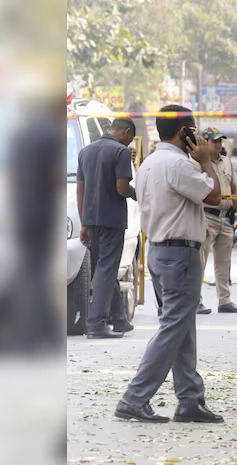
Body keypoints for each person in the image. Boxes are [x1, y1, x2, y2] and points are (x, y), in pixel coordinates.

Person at [116, 104, 224, 423]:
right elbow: (215, 196)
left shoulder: (150, 163)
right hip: (179, 255)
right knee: (174, 327)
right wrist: (205, 162)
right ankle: (134, 398)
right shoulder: (179, 164)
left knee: (181, 326)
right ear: (184, 132)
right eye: (195, 130)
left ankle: (190, 399)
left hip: (160, 252)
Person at [76, 118, 137, 338]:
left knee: (104, 268)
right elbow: (122, 188)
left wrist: (84, 222)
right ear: (126, 132)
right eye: (130, 139)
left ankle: (119, 320)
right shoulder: (120, 152)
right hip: (112, 219)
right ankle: (96, 323)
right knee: (106, 269)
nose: (129, 144)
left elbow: (80, 190)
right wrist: (137, 194)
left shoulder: (85, 151)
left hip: (91, 219)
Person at [196, 128, 237, 315]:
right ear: (204, 142)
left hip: (226, 218)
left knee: (224, 262)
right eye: (214, 141)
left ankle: (224, 300)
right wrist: (200, 219)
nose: (218, 144)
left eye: (220, 141)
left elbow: (235, 190)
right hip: (206, 216)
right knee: (200, 261)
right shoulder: (197, 162)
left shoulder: (227, 162)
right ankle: (196, 300)